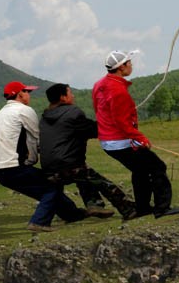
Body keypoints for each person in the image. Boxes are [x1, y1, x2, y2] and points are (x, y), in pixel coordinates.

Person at [92, 51, 179, 218]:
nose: (131, 65)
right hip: (119, 141)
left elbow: (99, 110)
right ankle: (162, 208)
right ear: (121, 67)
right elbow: (121, 122)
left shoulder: (99, 85)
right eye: (129, 62)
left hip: (108, 141)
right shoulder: (118, 91)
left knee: (140, 170)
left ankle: (143, 208)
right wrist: (140, 137)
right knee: (157, 167)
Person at [0, 81, 89, 232]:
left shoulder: (2, 112)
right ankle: (39, 222)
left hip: (0, 170)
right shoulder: (24, 110)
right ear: (20, 94)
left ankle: (72, 214)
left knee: (46, 190)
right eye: (27, 92)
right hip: (14, 166)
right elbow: (38, 137)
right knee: (53, 184)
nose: (29, 95)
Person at [40, 83, 138, 220]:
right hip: (69, 165)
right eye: (70, 93)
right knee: (102, 183)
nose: (73, 96)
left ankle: (94, 204)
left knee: (84, 176)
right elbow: (93, 130)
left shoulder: (44, 118)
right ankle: (129, 209)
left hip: (48, 169)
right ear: (63, 97)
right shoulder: (72, 112)